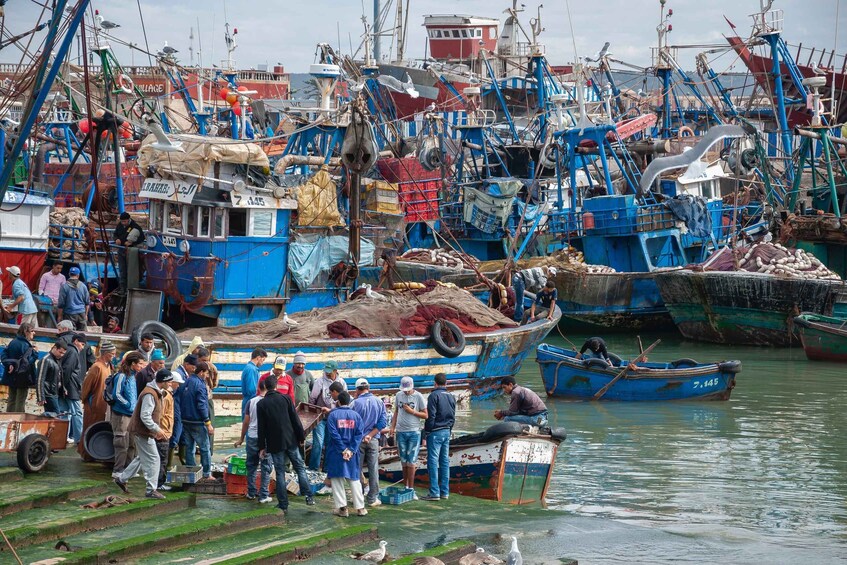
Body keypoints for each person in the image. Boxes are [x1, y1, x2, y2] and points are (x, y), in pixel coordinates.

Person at [256, 374, 315, 514]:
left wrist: (261, 447)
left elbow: (261, 428)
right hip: (291, 440)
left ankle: (283, 504)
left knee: (280, 472)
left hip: (275, 443)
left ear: (265, 387)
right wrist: (301, 437)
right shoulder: (286, 399)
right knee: (300, 468)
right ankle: (309, 497)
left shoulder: (261, 404)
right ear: (276, 386)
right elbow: (295, 420)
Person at [114, 369, 171, 499]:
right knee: (154, 459)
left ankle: (121, 479)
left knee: (141, 458)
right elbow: (145, 416)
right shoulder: (150, 394)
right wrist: (157, 429)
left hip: (144, 431)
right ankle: (151, 489)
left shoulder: (155, 392)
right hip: (143, 432)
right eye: (169, 381)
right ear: (163, 381)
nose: (171, 383)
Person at [325, 391, 367, 517]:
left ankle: (343, 509)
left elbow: (334, 434)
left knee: (337, 480)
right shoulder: (356, 416)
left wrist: (343, 449)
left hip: (336, 452)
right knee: (354, 479)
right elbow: (359, 434)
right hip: (352, 453)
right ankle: (361, 508)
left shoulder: (333, 415)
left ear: (338, 401)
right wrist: (351, 450)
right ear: (349, 402)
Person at [235, 379, 273, 503]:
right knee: (265, 466)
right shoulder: (271, 402)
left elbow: (246, 422)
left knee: (251, 465)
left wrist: (241, 438)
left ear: (258, 388)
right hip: (266, 438)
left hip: (251, 437)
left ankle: (251, 492)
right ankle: (263, 495)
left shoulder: (251, 402)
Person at [351, 378, 387, 507]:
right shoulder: (379, 402)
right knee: (373, 469)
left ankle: (358, 496)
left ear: (357, 389)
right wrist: (370, 435)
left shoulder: (354, 403)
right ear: (368, 387)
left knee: (357, 469)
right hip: (373, 439)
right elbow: (383, 422)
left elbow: (351, 423)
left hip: (358, 440)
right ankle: (372, 498)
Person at [78, 341, 116, 460]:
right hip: (94, 404)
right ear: (106, 353)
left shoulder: (107, 366)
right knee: (89, 428)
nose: (114, 356)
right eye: (112, 354)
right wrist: (86, 401)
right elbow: (86, 386)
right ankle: (85, 453)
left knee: (96, 428)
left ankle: (92, 453)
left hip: (102, 404)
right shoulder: (97, 367)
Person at [389, 376, 427, 495]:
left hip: (414, 431)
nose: (406, 391)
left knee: (411, 461)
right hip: (401, 431)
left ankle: (411, 488)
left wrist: (412, 412)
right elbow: (396, 411)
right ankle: (405, 486)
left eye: (408, 389)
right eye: (404, 389)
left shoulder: (418, 396)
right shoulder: (399, 395)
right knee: (404, 460)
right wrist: (392, 427)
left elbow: (426, 415)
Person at [421, 373, 456, 501]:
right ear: (446, 383)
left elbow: (431, 416)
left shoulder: (433, 395)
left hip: (435, 431)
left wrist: (427, 432)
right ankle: (445, 492)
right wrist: (449, 429)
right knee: (444, 462)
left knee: (433, 462)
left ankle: (434, 492)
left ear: (435, 383)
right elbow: (453, 416)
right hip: (447, 430)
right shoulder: (451, 396)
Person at [307, 360, 348, 470]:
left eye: (330, 371)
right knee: (318, 443)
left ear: (335, 371)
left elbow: (345, 400)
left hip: (334, 419)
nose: (328, 373)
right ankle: (313, 468)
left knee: (330, 444)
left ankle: (326, 468)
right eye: (326, 371)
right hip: (320, 417)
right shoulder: (319, 381)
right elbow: (312, 399)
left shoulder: (342, 383)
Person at [111, 351, 146, 477]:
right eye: (140, 364)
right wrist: (128, 405)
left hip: (131, 414)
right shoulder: (121, 376)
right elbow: (117, 394)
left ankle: (128, 469)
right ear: (133, 364)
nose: (142, 366)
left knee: (132, 442)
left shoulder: (133, 376)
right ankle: (117, 470)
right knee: (121, 442)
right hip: (121, 414)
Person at [181, 361, 215, 481]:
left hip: (185, 421)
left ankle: (191, 472)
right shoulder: (200, 385)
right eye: (206, 373)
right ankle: (206, 473)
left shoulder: (187, 381)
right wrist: (208, 422)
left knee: (189, 448)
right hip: (197, 422)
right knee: (205, 448)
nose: (206, 376)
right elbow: (201, 405)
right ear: (201, 372)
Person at [1, 323, 39, 412]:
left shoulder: (13, 342)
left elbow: (4, 354)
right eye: (32, 331)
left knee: (11, 399)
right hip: (23, 376)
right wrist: (35, 353)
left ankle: (8, 420)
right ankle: (18, 421)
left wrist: (9, 364)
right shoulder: (26, 346)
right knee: (20, 400)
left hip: (11, 375)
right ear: (26, 332)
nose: (34, 333)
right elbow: (28, 362)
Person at [156, 368, 182, 491]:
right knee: (162, 459)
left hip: (165, 430)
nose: (173, 385)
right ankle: (159, 484)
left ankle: (158, 482)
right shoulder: (166, 396)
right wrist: (163, 430)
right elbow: (161, 414)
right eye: (171, 383)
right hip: (163, 431)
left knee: (161, 459)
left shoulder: (168, 395)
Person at [59, 334, 88, 444]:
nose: (82, 347)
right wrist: (65, 386)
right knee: (77, 413)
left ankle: (62, 437)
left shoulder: (69, 350)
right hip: (71, 388)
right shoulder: (73, 352)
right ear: (76, 341)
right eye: (82, 344)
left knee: (65, 413)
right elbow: (67, 370)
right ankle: (79, 438)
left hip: (66, 387)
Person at [113, 211, 143, 293]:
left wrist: (132, 243)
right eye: (122, 221)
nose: (123, 223)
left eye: (125, 221)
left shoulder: (135, 226)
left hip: (131, 251)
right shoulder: (120, 225)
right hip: (121, 249)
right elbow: (115, 234)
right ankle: (122, 287)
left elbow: (141, 238)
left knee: (131, 270)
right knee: (122, 269)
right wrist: (116, 239)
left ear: (128, 220)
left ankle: (130, 288)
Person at [36, 341, 66, 415]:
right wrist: (41, 397)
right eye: (60, 352)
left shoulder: (56, 360)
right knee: (55, 416)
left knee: (53, 416)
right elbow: (40, 379)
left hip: (54, 393)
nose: (62, 355)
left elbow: (58, 376)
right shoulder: (46, 360)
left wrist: (63, 388)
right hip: (48, 394)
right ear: (55, 348)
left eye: (63, 353)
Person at [57, 266, 89, 331]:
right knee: (82, 335)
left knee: (71, 334)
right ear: (78, 275)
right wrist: (86, 315)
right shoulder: (83, 286)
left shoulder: (64, 287)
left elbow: (61, 304)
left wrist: (59, 316)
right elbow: (87, 303)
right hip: (81, 313)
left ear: (69, 274)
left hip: (69, 314)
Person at [241, 348, 268, 417]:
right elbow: (251, 389)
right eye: (263, 360)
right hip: (251, 401)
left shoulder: (250, 368)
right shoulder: (251, 369)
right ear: (258, 358)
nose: (262, 363)